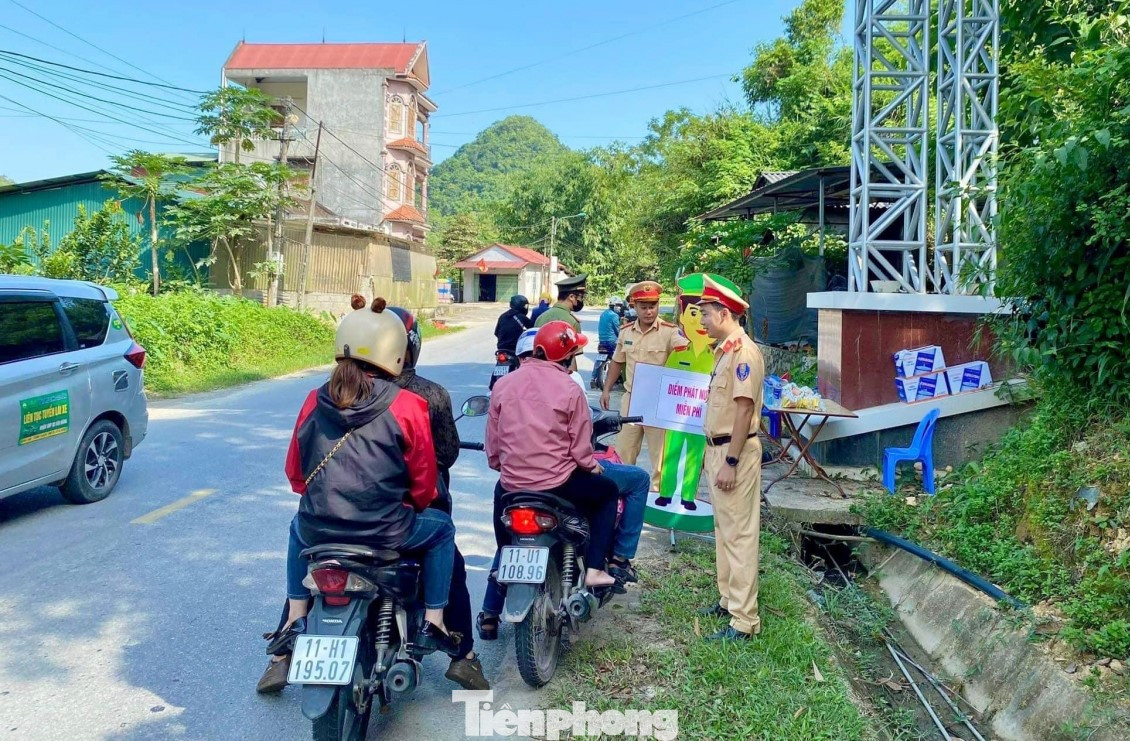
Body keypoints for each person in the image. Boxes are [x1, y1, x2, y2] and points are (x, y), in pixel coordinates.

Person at [256, 298, 460, 693]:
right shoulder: (408, 404)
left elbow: (296, 475)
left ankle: (295, 612)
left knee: (298, 524)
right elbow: (424, 482)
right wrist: (413, 506)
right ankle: (434, 620)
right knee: (442, 530)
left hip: (320, 531)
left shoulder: (314, 398)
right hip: (386, 532)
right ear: (396, 352)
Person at [477, 321, 624, 639]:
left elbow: (494, 446)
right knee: (609, 493)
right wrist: (591, 466)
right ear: (567, 357)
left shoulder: (503, 386)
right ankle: (597, 569)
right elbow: (580, 447)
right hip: (557, 485)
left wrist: (502, 466)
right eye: (574, 354)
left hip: (513, 486)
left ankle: (502, 563)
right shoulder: (570, 388)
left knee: (500, 499)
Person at [387, 304, 489, 691]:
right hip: (415, 506)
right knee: (452, 565)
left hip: (341, 508)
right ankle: (462, 656)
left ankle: (282, 653)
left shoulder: (343, 391)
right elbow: (445, 455)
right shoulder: (428, 395)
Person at [694, 276, 766, 641]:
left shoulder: (743, 353)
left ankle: (744, 620)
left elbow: (743, 412)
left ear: (724, 314)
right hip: (717, 449)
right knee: (724, 530)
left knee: (739, 535)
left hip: (733, 452)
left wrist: (731, 462)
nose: (701, 321)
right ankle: (727, 599)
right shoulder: (723, 351)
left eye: (705, 314)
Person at [600, 281, 688, 491]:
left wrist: (689, 339)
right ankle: (621, 493)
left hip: (659, 402)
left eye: (653, 306)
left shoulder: (669, 332)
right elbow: (617, 361)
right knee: (624, 451)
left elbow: (684, 348)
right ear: (634, 306)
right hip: (631, 399)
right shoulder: (626, 332)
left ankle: (657, 495)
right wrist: (606, 389)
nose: (649, 311)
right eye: (644, 307)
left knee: (660, 455)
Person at [591, 298, 623, 389]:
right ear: (613, 305)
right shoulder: (614, 316)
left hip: (602, 341)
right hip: (612, 342)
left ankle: (593, 379)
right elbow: (618, 330)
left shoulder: (603, 314)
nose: (619, 308)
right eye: (618, 305)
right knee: (619, 358)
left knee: (598, 360)